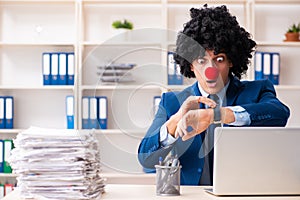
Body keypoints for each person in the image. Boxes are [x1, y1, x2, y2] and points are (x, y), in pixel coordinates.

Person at [138, 4, 290, 185]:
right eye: (201, 60)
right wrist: (174, 122)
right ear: (191, 65)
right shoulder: (172, 102)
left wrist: (215, 115)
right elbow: (145, 159)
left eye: (219, 59)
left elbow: (279, 113)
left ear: (231, 61)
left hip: (242, 193)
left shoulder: (257, 91)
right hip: (192, 197)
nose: (211, 70)